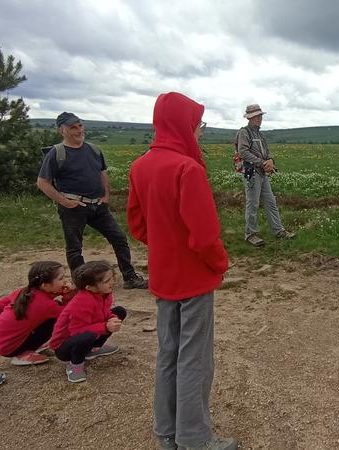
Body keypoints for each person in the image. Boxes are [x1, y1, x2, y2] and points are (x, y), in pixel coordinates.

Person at [127, 92, 237, 450]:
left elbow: (138, 225)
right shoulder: (187, 168)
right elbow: (205, 236)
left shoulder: (140, 166)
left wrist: (164, 245)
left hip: (163, 275)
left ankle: (168, 432)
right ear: (183, 124)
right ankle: (195, 438)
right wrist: (220, 264)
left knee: (167, 354)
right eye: (198, 124)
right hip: (192, 278)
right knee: (195, 359)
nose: (200, 131)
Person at [36, 112, 147, 290]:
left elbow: (102, 173)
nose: (79, 130)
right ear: (62, 130)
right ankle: (82, 285)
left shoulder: (94, 150)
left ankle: (130, 277)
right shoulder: (57, 153)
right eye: (73, 127)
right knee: (74, 248)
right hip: (73, 207)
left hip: (98, 205)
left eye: (80, 125)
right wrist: (64, 201)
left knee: (119, 238)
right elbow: (42, 182)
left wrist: (106, 196)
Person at [49, 260, 126, 383]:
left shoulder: (105, 294)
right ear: (89, 287)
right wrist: (106, 326)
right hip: (64, 347)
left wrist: (111, 317)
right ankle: (75, 366)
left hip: (86, 333)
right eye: (106, 281)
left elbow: (103, 314)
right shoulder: (82, 302)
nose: (112, 282)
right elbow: (77, 331)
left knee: (119, 312)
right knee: (86, 336)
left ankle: (93, 349)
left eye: (112, 277)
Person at [237, 103, 295, 247]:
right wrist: (262, 163)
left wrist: (270, 161)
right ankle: (250, 234)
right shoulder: (244, 132)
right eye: (256, 116)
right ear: (250, 118)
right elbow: (243, 152)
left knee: (270, 202)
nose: (259, 118)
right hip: (251, 172)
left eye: (260, 116)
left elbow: (267, 152)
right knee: (253, 204)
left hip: (262, 173)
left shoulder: (260, 134)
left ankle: (278, 230)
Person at [0, 261, 73, 366]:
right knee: (57, 320)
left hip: (3, 343)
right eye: (61, 278)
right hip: (9, 349)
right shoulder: (46, 306)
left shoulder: (24, 291)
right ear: (45, 285)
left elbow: (1, 304)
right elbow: (71, 312)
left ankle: (26, 344)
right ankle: (22, 354)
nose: (65, 281)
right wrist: (68, 296)